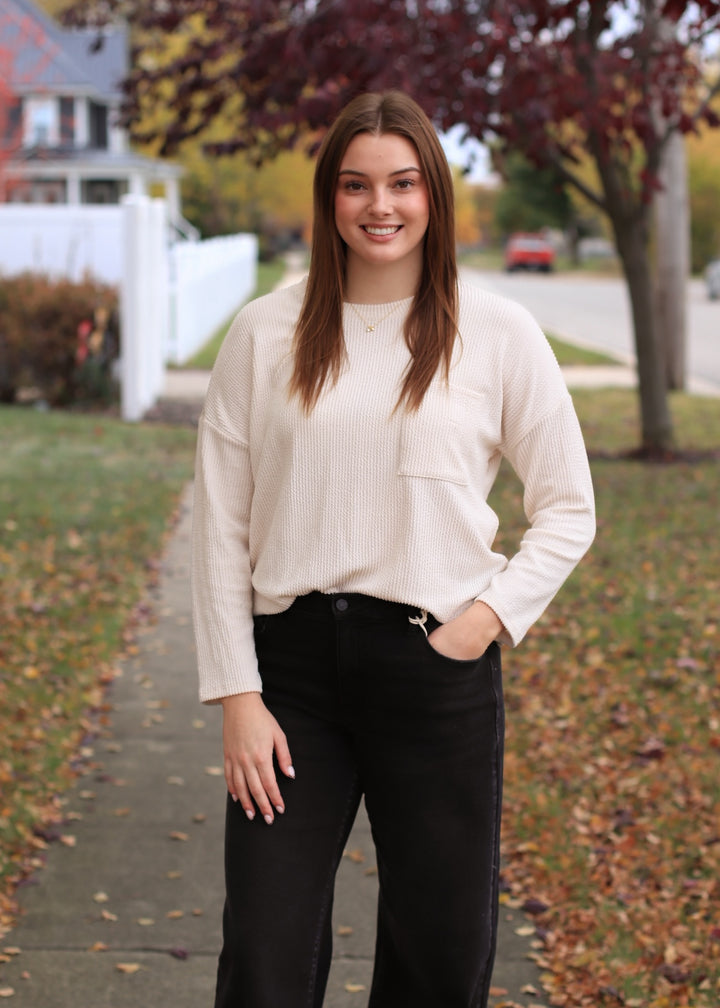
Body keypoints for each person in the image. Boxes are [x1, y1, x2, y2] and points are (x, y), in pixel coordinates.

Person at [191, 90, 595, 1008]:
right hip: (290, 683)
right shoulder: (263, 333)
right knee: (264, 951)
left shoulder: (498, 332)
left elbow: (570, 507)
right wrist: (237, 695)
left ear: (434, 195)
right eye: (356, 184)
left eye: (404, 183)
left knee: (437, 955)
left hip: (433, 670)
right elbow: (220, 527)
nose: (381, 205)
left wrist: (481, 623)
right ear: (329, 198)